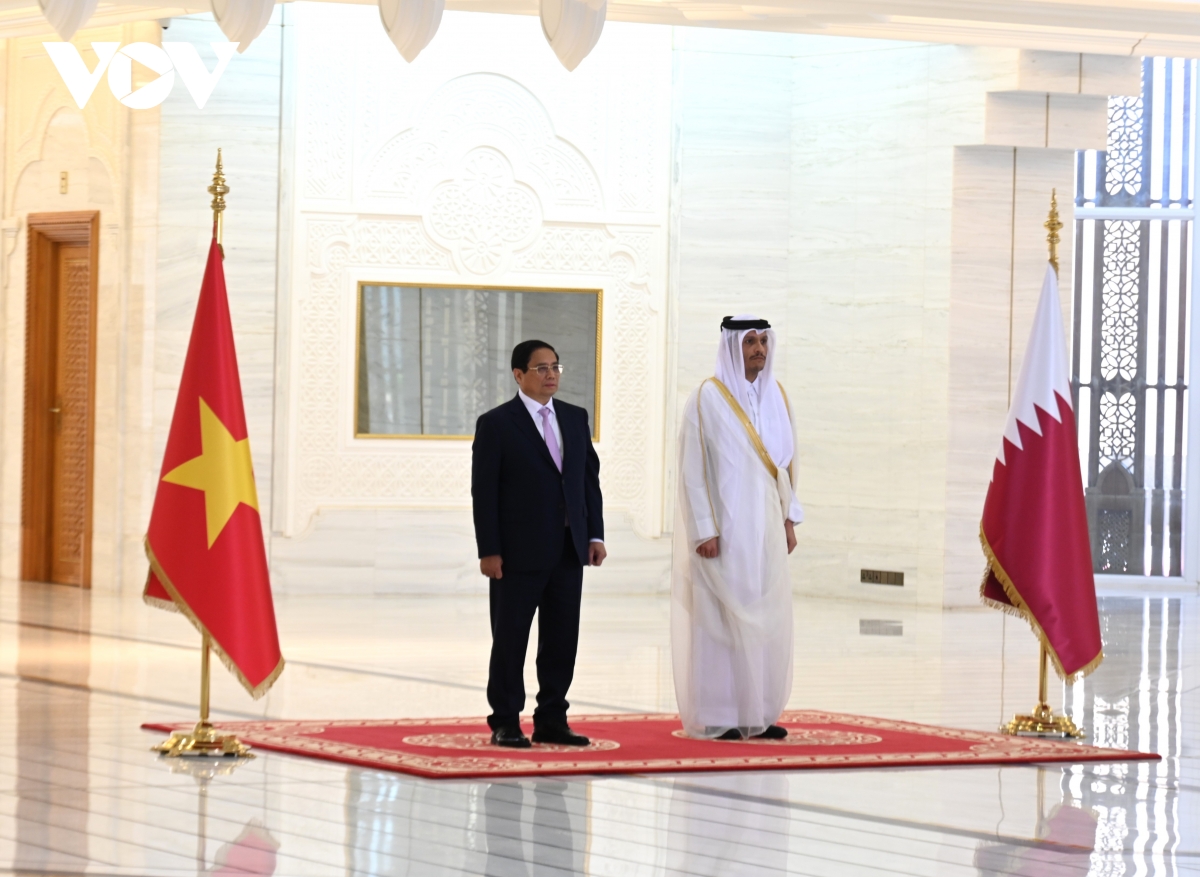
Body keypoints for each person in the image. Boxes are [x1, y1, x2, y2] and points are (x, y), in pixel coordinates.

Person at [672, 314, 803, 740]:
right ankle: (719, 713)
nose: (758, 350)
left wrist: (788, 518)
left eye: (763, 341)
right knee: (720, 620)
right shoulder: (706, 398)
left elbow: (787, 466)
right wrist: (704, 529)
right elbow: (693, 469)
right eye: (749, 342)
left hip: (766, 529)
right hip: (725, 532)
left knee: (765, 616)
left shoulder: (777, 396)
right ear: (732, 346)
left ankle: (758, 713)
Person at [472, 340, 606, 748]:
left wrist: (594, 534)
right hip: (516, 555)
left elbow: (588, 481)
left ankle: (551, 718)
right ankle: (505, 721)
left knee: (562, 639)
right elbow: (484, 492)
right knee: (510, 639)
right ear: (519, 375)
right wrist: (489, 550)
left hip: (568, 549)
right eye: (541, 368)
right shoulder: (497, 424)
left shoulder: (575, 418)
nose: (551, 374)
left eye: (555, 367)